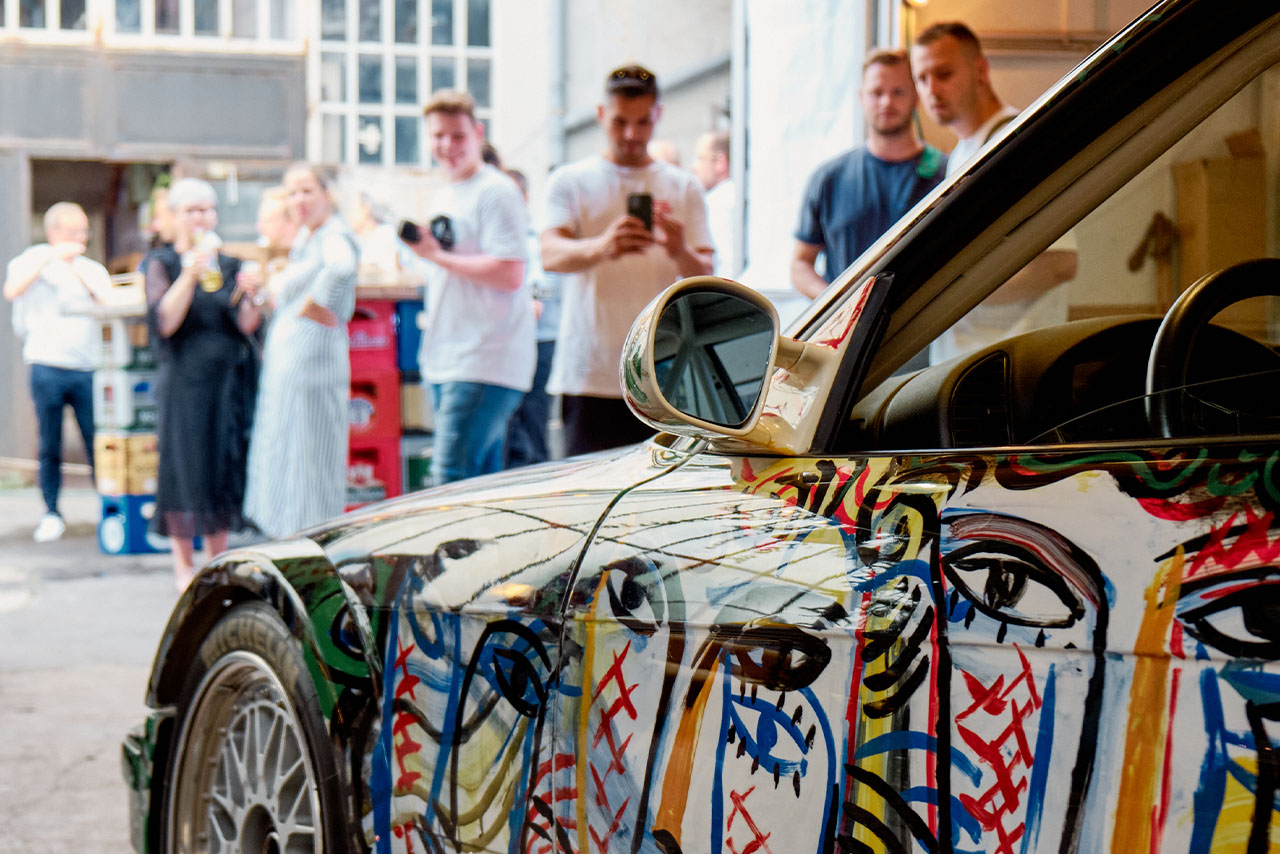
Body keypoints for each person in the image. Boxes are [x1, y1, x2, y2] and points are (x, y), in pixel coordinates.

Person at [541, 64, 714, 455]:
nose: (632, 134)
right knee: (586, 500)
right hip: (590, 372)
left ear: (658, 116)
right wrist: (602, 246)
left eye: (643, 122)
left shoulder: (683, 186)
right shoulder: (570, 180)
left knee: (664, 503)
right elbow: (548, 254)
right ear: (601, 115)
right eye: (620, 122)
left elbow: (706, 275)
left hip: (665, 376)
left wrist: (678, 250)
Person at [912, 22, 1078, 363]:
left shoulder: (1019, 143)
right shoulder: (962, 154)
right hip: (962, 364)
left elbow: (1059, 264)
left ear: (981, 70)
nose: (932, 90)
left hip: (1009, 367)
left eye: (943, 74)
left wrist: (948, 297)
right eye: (922, 79)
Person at [403, 90, 534, 484]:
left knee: (448, 480)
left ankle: (445, 550)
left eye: (457, 136)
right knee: (478, 486)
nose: (447, 146)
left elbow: (511, 271)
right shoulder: (446, 192)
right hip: (450, 353)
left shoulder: (495, 190)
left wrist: (435, 255)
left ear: (477, 133)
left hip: (483, 357)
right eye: (438, 136)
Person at [143, 178, 263, 589]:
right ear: (175, 217)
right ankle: (183, 564)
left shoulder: (229, 264)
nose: (201, 218)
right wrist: (189, 274)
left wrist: (253, 296)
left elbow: (246, 324)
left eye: (207, 210)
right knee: (183, 463)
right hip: (183, 379)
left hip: (225, 380)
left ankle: (219, 560)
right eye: (192, 210)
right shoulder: (161, 264)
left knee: (221, 463)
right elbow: (164, 321)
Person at [244, 163, 359, 537]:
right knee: (292, 450)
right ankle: (293, 534)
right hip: (295, 362)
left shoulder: (332, 235)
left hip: (311, 363)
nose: (299, 200)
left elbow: (342, 267)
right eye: (292, 192)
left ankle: (311, 535)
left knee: (309, 455)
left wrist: (317, 308)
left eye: (307, 190)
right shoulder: (308, 239)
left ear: (326, 194)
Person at [791, 48, 946, 300]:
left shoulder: (947, 175)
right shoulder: (829, 179)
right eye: (877, 93)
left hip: (928, 333)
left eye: (898, 92)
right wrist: (835, 305)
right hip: (847, 336)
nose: (886, 102)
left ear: (915, 98)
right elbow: (800, 263)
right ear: (861, 97)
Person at [3, 202, 109, 542]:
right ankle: (51, 511)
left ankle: (107, 510)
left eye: (83, 231)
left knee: (96, 438)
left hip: (86, 366)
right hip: (46, 363)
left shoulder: (91, 269)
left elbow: (107, 303)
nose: (81, 237)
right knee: (49, 442)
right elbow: (12, 291)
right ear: (54, 233)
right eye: (73, 231)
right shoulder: (30, 261)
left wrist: (74, 266)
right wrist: (50, 258)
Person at [503, 168, 560, 469]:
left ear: (524, 198)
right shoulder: (500, 237)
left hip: (540, 340)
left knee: (535, 420)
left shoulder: (536, 235)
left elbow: (545, 285)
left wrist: (532, 298)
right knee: (510, 425)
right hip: (509, 342)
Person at [693, 129, 738, 278]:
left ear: (720, 162)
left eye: (700, 158)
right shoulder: (740, 196)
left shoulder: (717, 203)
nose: (694, 167)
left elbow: (727, 265)